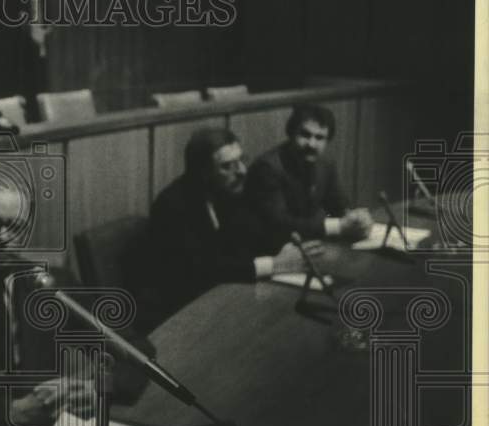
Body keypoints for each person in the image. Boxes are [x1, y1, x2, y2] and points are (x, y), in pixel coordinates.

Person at [0, 179, 150, 426]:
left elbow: (135, 351)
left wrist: (98, 389)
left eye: (15, 226)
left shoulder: (50, 286)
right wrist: (8, 412)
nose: (3, 237)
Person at [125, 128, 312, 327]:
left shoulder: (227, 192)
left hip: (219, 298)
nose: (242, 171)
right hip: (178, 312)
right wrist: (273, 264)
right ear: (202, 172)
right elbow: (202, 269)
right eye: (227, 166)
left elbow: (253, 236)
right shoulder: (173, 205)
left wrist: (282, 250)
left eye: (241, 160)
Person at [246, 104, 373, 242]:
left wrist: (356, 218)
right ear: (291, 133)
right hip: (273, 247)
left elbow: (339, 204)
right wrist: (338, 226)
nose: (312, 144)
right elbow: (280, 224)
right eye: (305, 135)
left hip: (309, 242)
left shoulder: (326, 164)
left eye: (319, 138)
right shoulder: (267, 168)